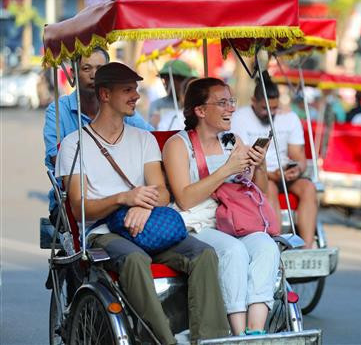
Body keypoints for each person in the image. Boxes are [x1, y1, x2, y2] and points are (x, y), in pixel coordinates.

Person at [55, 63, 229, 344]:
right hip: (104, 232)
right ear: (105, 94)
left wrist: (141, 205)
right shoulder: (74, 145)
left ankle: (209, 339)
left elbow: (161, 191)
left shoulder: (144, 139)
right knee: (135, 259)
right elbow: (79, 207)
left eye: (136, 89)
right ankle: (163, 340)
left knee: (204, 255)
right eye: (127, 90)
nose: (136, 95)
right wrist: (123, 198)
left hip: (149, 224)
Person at [162, 77, 280, 336]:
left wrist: (259, 165)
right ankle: (238, 334)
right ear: (200, 111)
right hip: (196, 223)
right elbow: (184, 198)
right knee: (234, 252)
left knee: (265, 246)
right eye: (223, 102)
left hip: (233, 219)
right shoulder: (178, 145)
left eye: (231, 101)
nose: (231, 109)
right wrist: (225, 169)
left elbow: (255, 188)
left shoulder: (232, 141)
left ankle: (255, 331)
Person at [43, 47, 152, 212]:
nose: (94, 75)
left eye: (100, 70)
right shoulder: (58, 111)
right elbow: (55, 158)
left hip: (125, 197)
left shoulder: (121, 108)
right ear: (73, 74)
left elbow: (153, 138)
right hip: (74, 202)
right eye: (87, 68)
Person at [232, 72, 318, 249]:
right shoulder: (240, 118)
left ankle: (307, 248)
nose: (270, 113)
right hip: (257, 172)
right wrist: (272, 174)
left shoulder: (289, 118)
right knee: (269, 187)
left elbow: (298, 155)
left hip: (285, 173)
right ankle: (276, 244)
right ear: (253, 101)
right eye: (265, 108)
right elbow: (245, 158)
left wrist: (298, 169)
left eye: (274, 108)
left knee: (309, 188)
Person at [149, 59, 198, 128]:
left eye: (170, 79)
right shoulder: (157, 105)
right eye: (164, 79)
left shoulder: (196, 103)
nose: (165, 83)